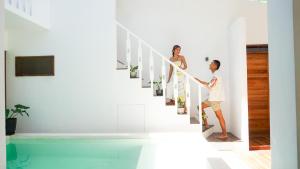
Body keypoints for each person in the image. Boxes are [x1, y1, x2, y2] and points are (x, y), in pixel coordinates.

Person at [195, 60, 227, 140]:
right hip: (211, 98)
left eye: (211, 63)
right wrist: (199, 81)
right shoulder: (215, 75)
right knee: (200, 107)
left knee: (219, 116)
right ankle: (206, 124)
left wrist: (200, 82)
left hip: (214, 99)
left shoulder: (217, 75)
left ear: (215, 66)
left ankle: (225, 134)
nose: (210, 64)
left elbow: (210, 85)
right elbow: (210, 83)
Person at [166, 45, 188, 113]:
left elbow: (186, 66)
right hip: (174, 76)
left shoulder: (182, 57)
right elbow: (171, 70)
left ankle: (184, 108)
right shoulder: (171, 59)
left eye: (179, 50)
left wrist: (182, 68)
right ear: (173, 50)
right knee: (170, 87)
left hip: (180, 76)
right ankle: (174, 103)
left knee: (181, 91)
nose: (178, 51)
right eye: (177, 50)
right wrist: (168, 79)